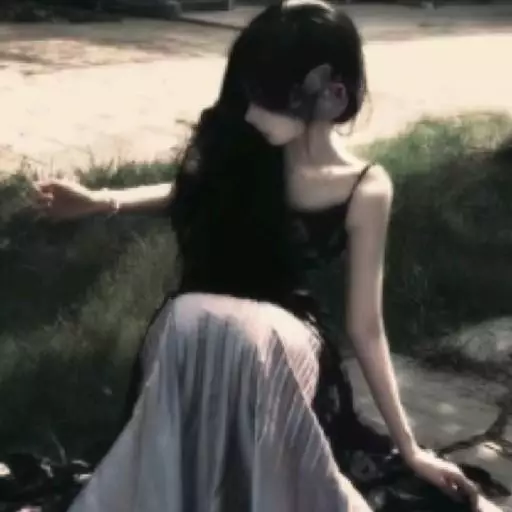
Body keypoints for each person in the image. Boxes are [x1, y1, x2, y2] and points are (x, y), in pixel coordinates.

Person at [32, 1, 507, 511]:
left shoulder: (364, 187)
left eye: (268, 97)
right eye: (249, 93)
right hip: (195, 342)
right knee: (199, 342)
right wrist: (103, 202)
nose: (251, 112)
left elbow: (366, 327)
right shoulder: (244, 151)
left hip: (278, 348)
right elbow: (192, 191)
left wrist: (410, 448)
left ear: (332, 95)